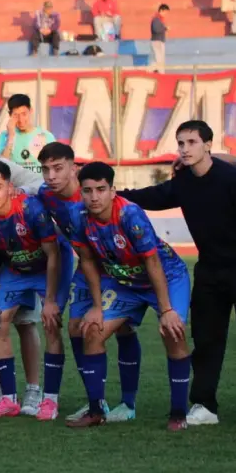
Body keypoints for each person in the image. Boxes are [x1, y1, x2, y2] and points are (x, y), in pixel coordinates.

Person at [117, 120, 236, 426]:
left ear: (209, 145)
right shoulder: (183, 183)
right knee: (206, 339)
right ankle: (204, 405)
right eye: (180, 143)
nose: (184, 149)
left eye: (192, 142)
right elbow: (152, 197)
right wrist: (113, 195)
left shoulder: (230, 178)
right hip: (209, 272)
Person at [66, 162, 192, 431]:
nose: (94, 197)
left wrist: (166, 309)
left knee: (173, 332)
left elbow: (153, 263)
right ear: (80, 192)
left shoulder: (130, 215)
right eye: (87, 191)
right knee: (92, 330)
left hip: (166, 276)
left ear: (113, 190)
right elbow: (87, 260)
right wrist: (97, 306)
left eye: (101, 189)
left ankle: (179, 413)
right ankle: (96, 410)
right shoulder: (76, 216)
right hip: (124, 280)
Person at [37, 143, 142, 423]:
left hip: (113, 267)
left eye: (58, 168)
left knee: (122, 329)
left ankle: (128, 404)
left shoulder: (89, 197)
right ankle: (97, 401)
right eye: (45, 169)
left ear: (75, 169)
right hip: (85, 266)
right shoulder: (44, 195)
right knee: (75, 327)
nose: (51, 176)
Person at [0, 160, 71, 419]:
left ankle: (48, 399)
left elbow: (53, 253)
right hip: (15, 268)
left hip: (48, 265)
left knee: (50, 322)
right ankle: (9, 400)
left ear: (10, 187)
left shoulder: (31, 208)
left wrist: (49, 299)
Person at [0, 94, 56, 175]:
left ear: (30, 111)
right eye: (16, 115)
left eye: (24, 114)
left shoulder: (47, 136)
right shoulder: (5, 136)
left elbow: (54, 166)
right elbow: (1, 165)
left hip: (39, 185)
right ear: (10, 115)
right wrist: (11, 137)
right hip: (16, 185)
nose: (21, 119)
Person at [151, 4, 169, 74]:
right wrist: (165, 28)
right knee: (159, 59)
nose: (166, 14)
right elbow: (156, 29)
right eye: (165, 12)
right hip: (157, 41)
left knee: (160, 59)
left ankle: (159, 72)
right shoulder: (156, 19)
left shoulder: (159, 19)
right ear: (161, 10)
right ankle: (158, 72)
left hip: (159, 40)